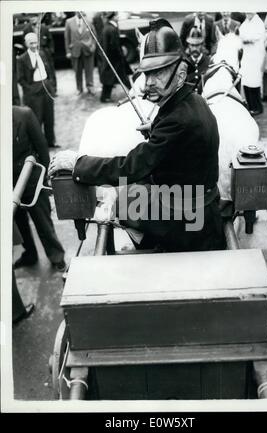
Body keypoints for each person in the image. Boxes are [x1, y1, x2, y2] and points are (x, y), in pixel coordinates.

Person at [49, 19, 226, 253]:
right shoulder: (194, 101)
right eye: (147, 74)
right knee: (138, 189)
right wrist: (155, 132)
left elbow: (131, 166)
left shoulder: (177, 119)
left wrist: (77, 164)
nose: (148, 84)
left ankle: (155, 245)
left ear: (181, 74)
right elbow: (184, 148)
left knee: (123, 202)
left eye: (158, 74)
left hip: (188, 222)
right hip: (202, 205)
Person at [13, 105, 66, 271]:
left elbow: (42, 147)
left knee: (43, 223)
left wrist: (45, 179)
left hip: (32, 181)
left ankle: (56, 256)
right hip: (8, 187)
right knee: (19, 223)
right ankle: (30, 254)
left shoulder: (24, 114)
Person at [17, 32, 57, 148]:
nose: (34, 45)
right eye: (31, 43)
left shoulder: (42, 53)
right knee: (37, 119)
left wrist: (51, 84)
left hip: (46, 87)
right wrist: (30, 90)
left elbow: (49, 69)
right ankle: (38, 145)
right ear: (26, 43)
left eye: (35, 42)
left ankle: (51, 141)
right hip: (33, 92)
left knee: (49, 117)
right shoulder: (22, 59)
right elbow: (21, 79)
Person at [100, 11, 132, 102]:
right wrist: (121, 55)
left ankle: (104, 97)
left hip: (109, 58)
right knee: (123, 77)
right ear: (113, 17)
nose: (118, 17)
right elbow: (114, 45)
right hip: (115, 59)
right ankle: (134, 92)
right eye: (117, 15)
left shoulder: (106, 27)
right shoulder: (112, 29)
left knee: (110, 78)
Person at [239, 13, 265, 116]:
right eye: (246, 12)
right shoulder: (245, 23)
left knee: (254, 82)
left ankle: (257, 107)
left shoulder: (259, 23)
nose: (248, 14)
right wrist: (245, 39)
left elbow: (257, 37)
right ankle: (250, 105)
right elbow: (241, 34)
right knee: (246, 81)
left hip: (255, 57)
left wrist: (247, 39)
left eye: (250, 12)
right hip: (246, 57)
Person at [64, 12, 96, 96]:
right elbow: (67, 38)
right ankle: (79, 88)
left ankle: (90, 87)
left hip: (87, 50)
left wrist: (93, 46)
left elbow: (94, 35)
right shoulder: (69, 22)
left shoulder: (88, 21)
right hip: (75, 50)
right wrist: (68, 51)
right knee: (77, 71)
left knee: (89, 70)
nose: (80, 12)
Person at [23, 14, 57, 92]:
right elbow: (24, 42)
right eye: (31, 17)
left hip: (44, 50)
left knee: (49, 70)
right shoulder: (26, 29)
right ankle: (38, 89)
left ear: (38, 18)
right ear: (29, 19)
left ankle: (53, 89)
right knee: (35, 70)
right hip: (33, 52)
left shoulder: (44, 28)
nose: (33, 19)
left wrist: (50, 51)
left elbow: (50, 40)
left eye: (34, 17)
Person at [185, 26, 210, 94]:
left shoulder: (209, 62)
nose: (195, 49)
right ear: (188, 46)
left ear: (202, 45)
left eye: (197, 45)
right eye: (192, 45)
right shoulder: (184, 63)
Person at [92, 12, 105, 88]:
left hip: (103, 42)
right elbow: (96, 31)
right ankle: (103, 81)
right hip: (100, 43)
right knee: (101, 63)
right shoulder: (97, 17)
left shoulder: (102, 15)